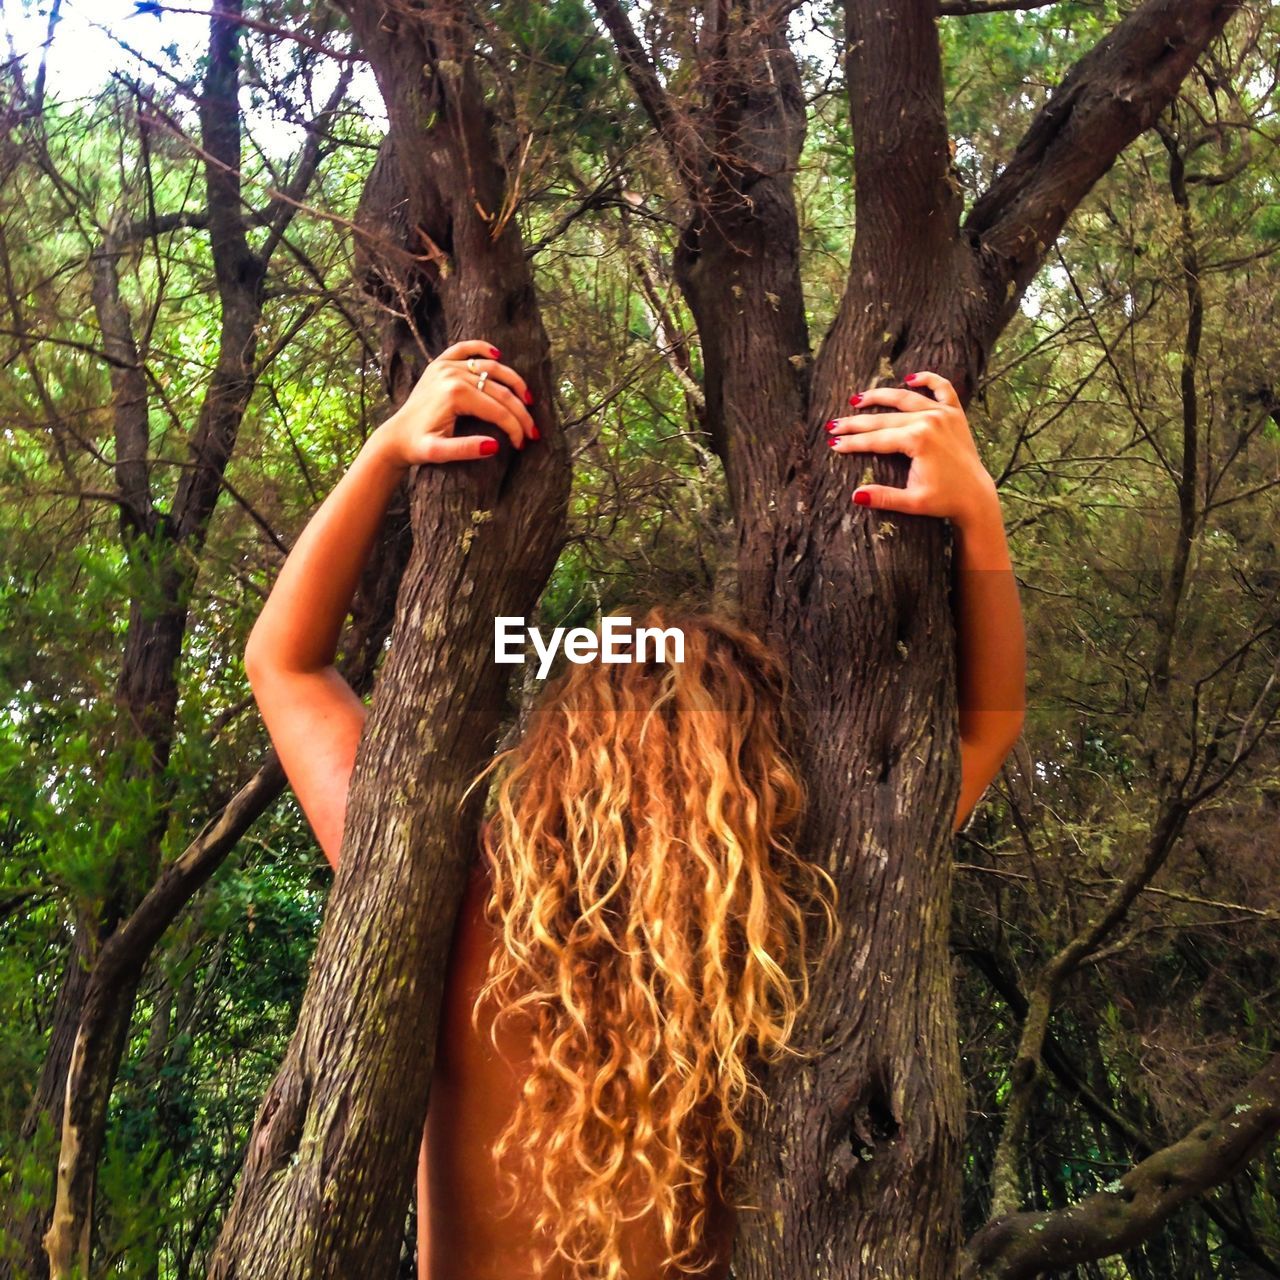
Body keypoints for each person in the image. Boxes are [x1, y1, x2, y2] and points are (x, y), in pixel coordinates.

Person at [243, 339, 1025, 1280]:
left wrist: (387, 451)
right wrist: (977, 515)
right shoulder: (795, 920)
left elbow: (284, 666)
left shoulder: (453, 890)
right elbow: (987, 726)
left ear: (558, 748)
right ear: (757, 772)